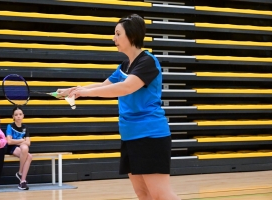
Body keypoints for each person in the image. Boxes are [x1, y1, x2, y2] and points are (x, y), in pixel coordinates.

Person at [57, 14, 180, 200]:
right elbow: (104, 85)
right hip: (130, 135)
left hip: (150, 135)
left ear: (131, 35)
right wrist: (73, 90)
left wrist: (86, 93)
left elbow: (126, 87)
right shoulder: (124, 65)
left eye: (117, 34)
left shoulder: (148, 62)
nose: (113, 38)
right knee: (143, 194)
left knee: (160, 195)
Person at [6, 107, 32, 190]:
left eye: (20, 114)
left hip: (21, 147)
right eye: (16, 115)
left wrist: (18, 141)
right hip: (11, 148)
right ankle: (21, 175)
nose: (18, 116)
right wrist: (21, 140)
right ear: (13, 116)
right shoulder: (10, 126)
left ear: (23, 116)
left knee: (26, 150)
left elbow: (28, 142)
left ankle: (22, 181)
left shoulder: (25, 127)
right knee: (27, 152)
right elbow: (9, 142)